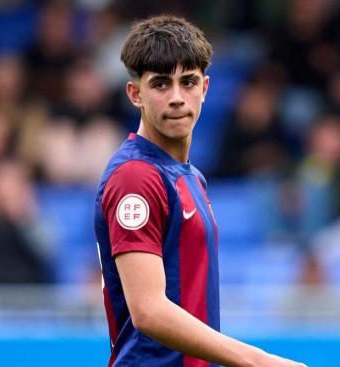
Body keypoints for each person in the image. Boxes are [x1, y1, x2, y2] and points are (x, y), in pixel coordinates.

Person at [94, 15, 306, 367]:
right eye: (161, 84)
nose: (177, 98)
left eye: (188, 82)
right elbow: (148, 310)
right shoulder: (136, 177)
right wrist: (258, 361)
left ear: (205, 88)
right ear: (135, 94)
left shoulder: (189, 177)